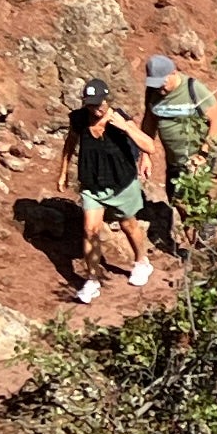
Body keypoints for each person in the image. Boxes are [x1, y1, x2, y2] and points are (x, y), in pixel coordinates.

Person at [65, 77, 155, 303]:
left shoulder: (119, 119)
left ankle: (142, 261)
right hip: (92, 186)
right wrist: (63, 171)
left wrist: (125, 127)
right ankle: (92, 280)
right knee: (89, 230)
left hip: (121, 184)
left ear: (107, 100)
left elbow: (149, 145)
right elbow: (70, 143)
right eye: (91, 104)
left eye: (99, 104)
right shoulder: (78, 120)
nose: (96, 109)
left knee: (128, 225)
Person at [140, 49, 217, 252]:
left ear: (173, 73)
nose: (159, 88)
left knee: (195, 201)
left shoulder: (194, 89)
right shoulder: (153, 93)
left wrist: (202, 155)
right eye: (154, 84)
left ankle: (207, 247)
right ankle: (197, 247)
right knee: (177, 201)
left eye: (162, 83)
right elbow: (149, 123)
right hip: (174, 160)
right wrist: (145, 155)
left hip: (198, 158)